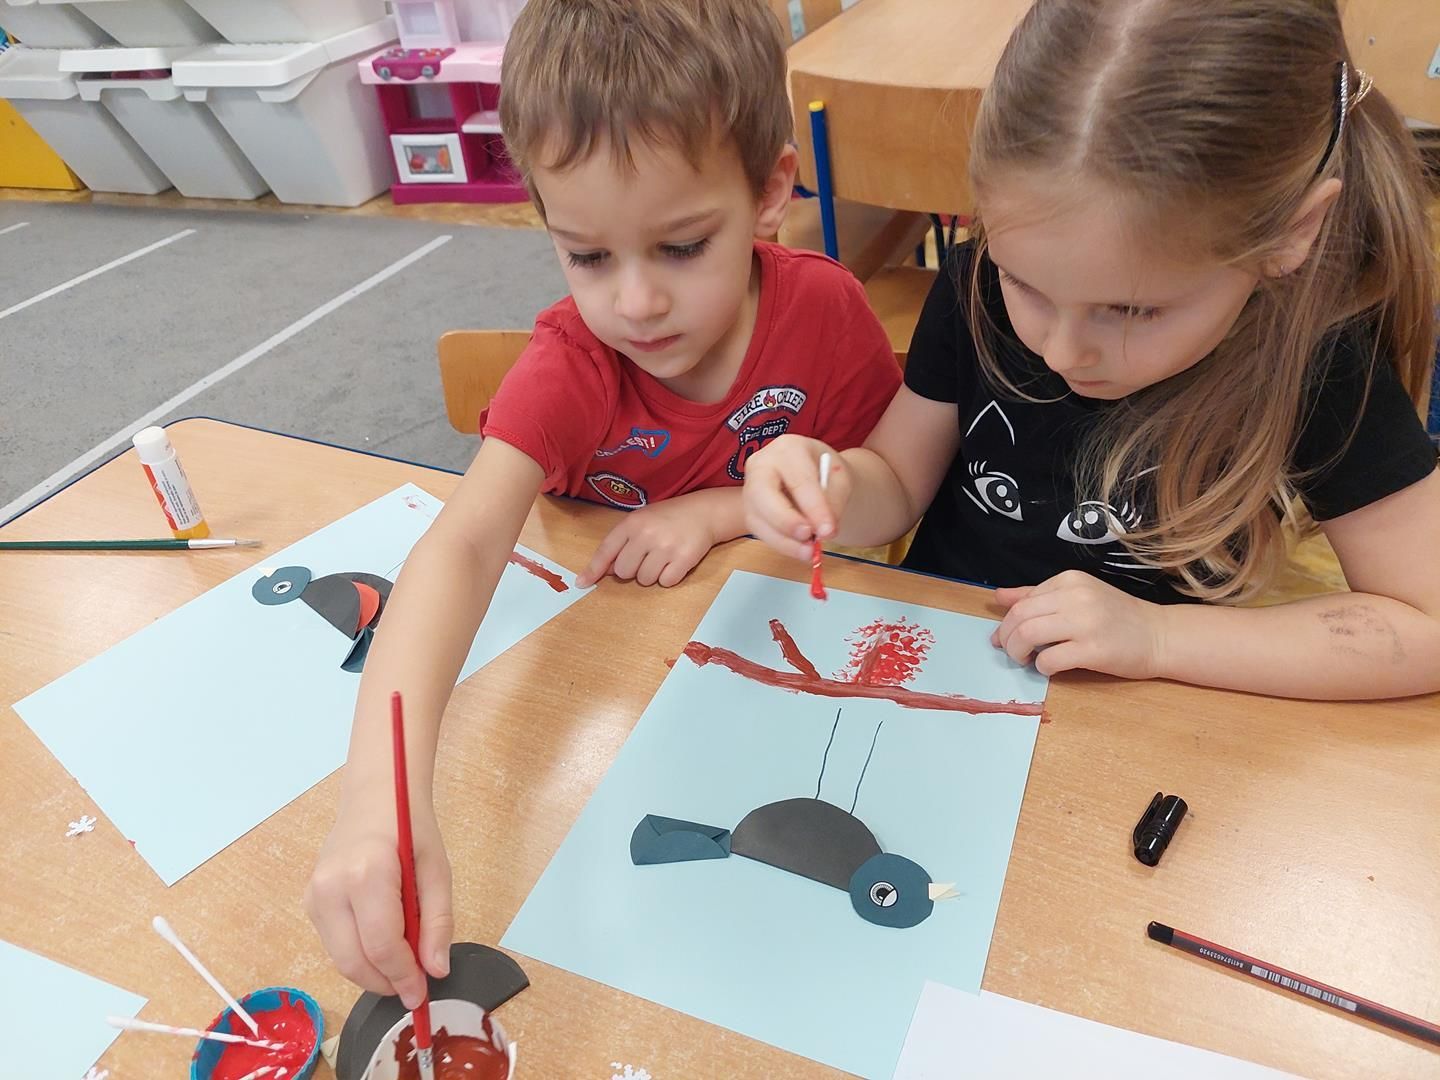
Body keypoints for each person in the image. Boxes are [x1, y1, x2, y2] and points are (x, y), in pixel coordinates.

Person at [305, 0, 901, 1007]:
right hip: (602, 679)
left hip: (755, 689)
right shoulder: (573, 366)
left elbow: (888, 488)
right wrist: (379, 797)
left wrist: (721, 511)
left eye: (681, 247)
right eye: (587, 256)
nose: (634, 304)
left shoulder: (827, 313)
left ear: (769, 191)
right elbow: (462, 548)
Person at [745, 0, 1439, 701]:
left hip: (1133, 707)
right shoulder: (975, 283)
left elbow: (1426, 622)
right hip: (937, 659)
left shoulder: (1313, 358)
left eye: (1132, 311)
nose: (1062, 351)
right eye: (1025, 285)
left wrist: (1158, 637)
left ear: (1292, 234)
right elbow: (896, 483)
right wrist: (831, 483)